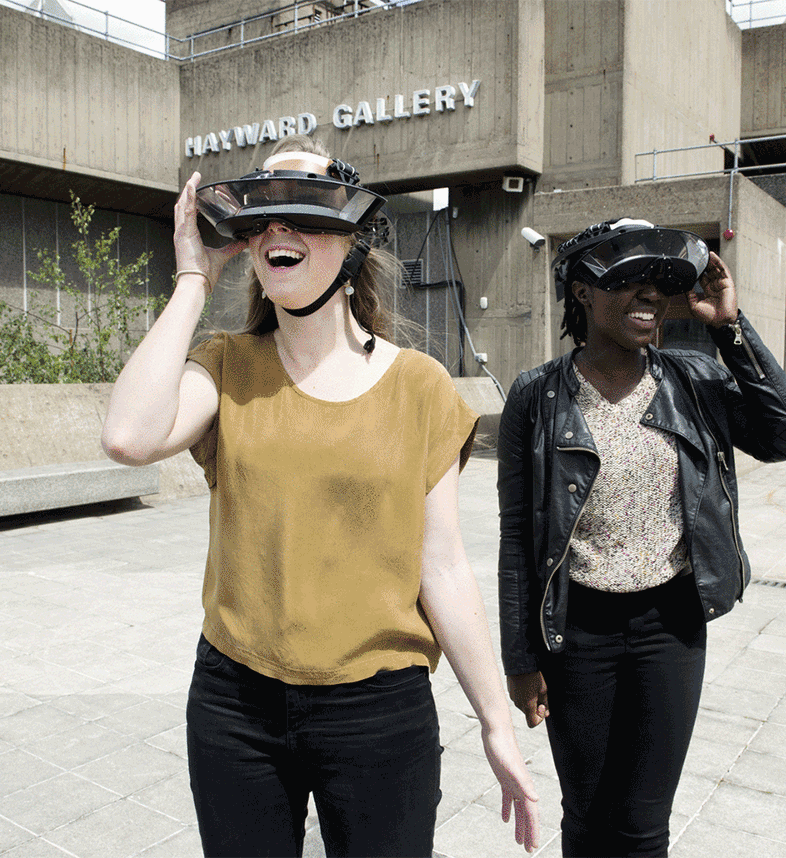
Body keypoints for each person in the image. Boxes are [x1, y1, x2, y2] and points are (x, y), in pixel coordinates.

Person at [101, 135, 540, 858]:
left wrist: (494, 723)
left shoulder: (419, 385)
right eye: (262, 213)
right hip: (235, 701)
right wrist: (193, 278)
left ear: (353, 236)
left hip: (379, 708)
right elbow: (127, 436)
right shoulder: (227, 365)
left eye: (305, 209)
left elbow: (444, 566)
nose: (280, 228)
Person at [497, 218, 786, 857]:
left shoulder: (695, 379)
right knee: (587, 814)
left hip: (669, 628)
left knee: (643, 823)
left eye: (658, 285)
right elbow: (516, 540)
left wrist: (730, 327)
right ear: (582, 292)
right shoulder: (537, 396)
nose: (649, 297)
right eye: (627, 282)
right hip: (576, 633)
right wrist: (521, 659)